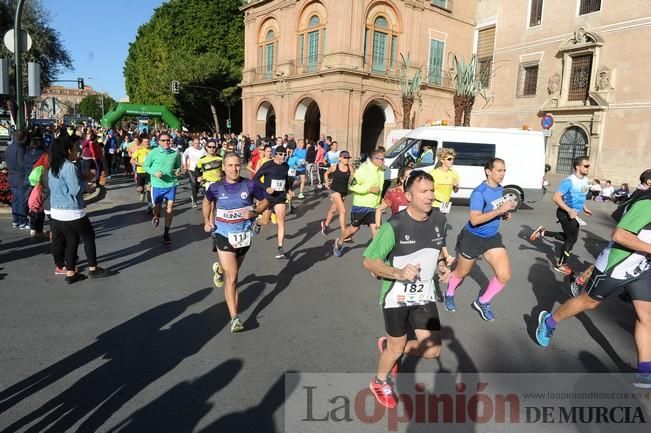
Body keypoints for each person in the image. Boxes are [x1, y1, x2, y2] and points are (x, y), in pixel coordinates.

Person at [535, 186, 651, 388]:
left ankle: (645, 371)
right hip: (616, 265)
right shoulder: (647, 205)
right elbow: (619, 235)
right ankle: (549, 322)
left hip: (641, 268)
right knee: (588, 302)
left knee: (647, 316)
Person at [363, 170, 452, 408]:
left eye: (431, 190)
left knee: (433, 350)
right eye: (423, 191)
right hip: (396, 297)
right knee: (396, 349)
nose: (429, 196)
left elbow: (437, 250)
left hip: (424, 294)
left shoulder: (440, 221)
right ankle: (379, 381)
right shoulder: (395, 225)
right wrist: (398, 273)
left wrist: (443, 267)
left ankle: (390, 345)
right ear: (408, 196)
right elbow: (369, 261)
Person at [203, 153, 269, 333]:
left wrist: (255, 212)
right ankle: (235, 318)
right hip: (223, 234)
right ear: (223, 168)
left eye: (237, 165)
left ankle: (219, 268)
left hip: (243, 236)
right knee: (232, 277)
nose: (234, 169)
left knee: (232, 271)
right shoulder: (216, 188)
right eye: (230, 165)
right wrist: (207, 221)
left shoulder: (249, 184)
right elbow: (207, 202)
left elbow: (264, 201)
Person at [443, 158, 517, 320]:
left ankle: (483, 301)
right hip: (473, 237)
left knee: (504, 275)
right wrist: (499, 211)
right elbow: (475, 219)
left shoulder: (501, 190)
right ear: (488, 171)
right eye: (499, 170)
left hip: (491, 238)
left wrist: (504, 214)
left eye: (504, 170)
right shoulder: (479, 192)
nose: (502, 174)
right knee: (462, 272)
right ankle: (449, 293)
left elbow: (495, 209)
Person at [48, 135, 111, 283]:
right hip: (72, 210)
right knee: (89, 236)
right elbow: (75, 189)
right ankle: (93, 269)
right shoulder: (69, 166)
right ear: (69, 150)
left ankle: (71, 273)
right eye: (77, 147)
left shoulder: (54, 166)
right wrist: (87, 187)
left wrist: (84, 178)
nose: (79, 150)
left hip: (57, 212)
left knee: (71, 240)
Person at [530, 156, 592, 275]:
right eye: (586, 166)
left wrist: (584, 207)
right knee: (570, 240)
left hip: (574, 214)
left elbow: (580, 195)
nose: (588, 168)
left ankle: (542, 232)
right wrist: (569, 210)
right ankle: (560, 265)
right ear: (577, 167)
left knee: (571, 238)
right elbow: (556, 197)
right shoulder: (569, 181)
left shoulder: (585, 180)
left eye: (588, 166)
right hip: (565, 213)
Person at [333, 148, 385, 257]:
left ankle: (374, 256)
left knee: (376, 231)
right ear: (374, 159)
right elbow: (352, 186)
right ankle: (340, 242)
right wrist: (368, 189)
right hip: (361, 206)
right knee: (353, 229)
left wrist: (382, 202)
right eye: (381, 159)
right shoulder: (363, 170)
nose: (383, 162)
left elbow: (381, 188)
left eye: (384, 159)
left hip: (374, 207)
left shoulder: (381, 171)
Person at [253, 147, 293, 259]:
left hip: (280, 197)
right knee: (265, 221)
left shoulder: (286, 166)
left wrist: (289, 190)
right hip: (268, 197)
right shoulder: (268, 165)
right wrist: (266, 188)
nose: (283, 156)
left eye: (285, 154)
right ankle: (258, 223)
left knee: (281, 221)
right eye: (280, 154)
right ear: (276, 155)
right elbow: (256, 178)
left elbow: (286, 180)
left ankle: (280, 248)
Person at [143, 132, 181, 244]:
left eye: (168, 140)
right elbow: (145, 165)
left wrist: (178, 171)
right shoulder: (153, 152)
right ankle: (156, 215)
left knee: (170, 208)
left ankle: (166, 233)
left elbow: (178, 166)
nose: (166, 142)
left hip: (171, 184)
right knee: (157, 209)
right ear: (158, 142)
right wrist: (154, 173)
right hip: (157, 185)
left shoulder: (175, 153)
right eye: (163, 140)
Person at [320, 150, 354, 236]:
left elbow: (354, 178)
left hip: (343, 192)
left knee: (333, 209)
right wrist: (327, 182)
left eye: (348, 158)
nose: (347, 159)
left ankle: (325, 224)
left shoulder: (350, 168)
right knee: (343, 211)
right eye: (345, 157)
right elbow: (326, 173)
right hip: (334, 190)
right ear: (340, 158)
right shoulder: (335, 167)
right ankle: (344, 233)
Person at [6, 130, 29, 229]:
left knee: (15, 200)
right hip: (20, 177)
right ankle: (23, 222)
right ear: (24, 138)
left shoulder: (9, 147)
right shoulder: (20, 148)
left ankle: (16, 220)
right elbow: (21, 164)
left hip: (12, 176)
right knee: (22, 200)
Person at [429, 147, 460, 214]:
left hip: (445, 205)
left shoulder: (454, 174)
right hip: (434, 204)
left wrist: (456, 187)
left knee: (441, 223)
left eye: (453, 159)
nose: (452, 161)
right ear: (442, 160)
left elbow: (456, 191)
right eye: (449, 159)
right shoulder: (433, 173)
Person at [182, 138, 207, 208]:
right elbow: (184, 156)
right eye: (195, 143)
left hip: (200, 170)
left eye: (198, 143)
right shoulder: (189, 149)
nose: (197, 145)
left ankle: (193, 195)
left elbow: (206, 157)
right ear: (193, 143)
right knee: (194, 184)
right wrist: (184, 165)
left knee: (198, 185)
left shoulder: (202, 149)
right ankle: (194, 201)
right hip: (192, 169)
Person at [130, 135, 152, 205]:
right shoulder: (139, 150)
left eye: (148, 142)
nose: (147, 143)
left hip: (149, 172)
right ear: (142, 143)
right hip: (140, 172)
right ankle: (142, 193)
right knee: (140, 188)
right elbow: (131, 161)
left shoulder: (152, 150)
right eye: (145, 142)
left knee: (149, 189)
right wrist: (141, 164)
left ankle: (150, 204)